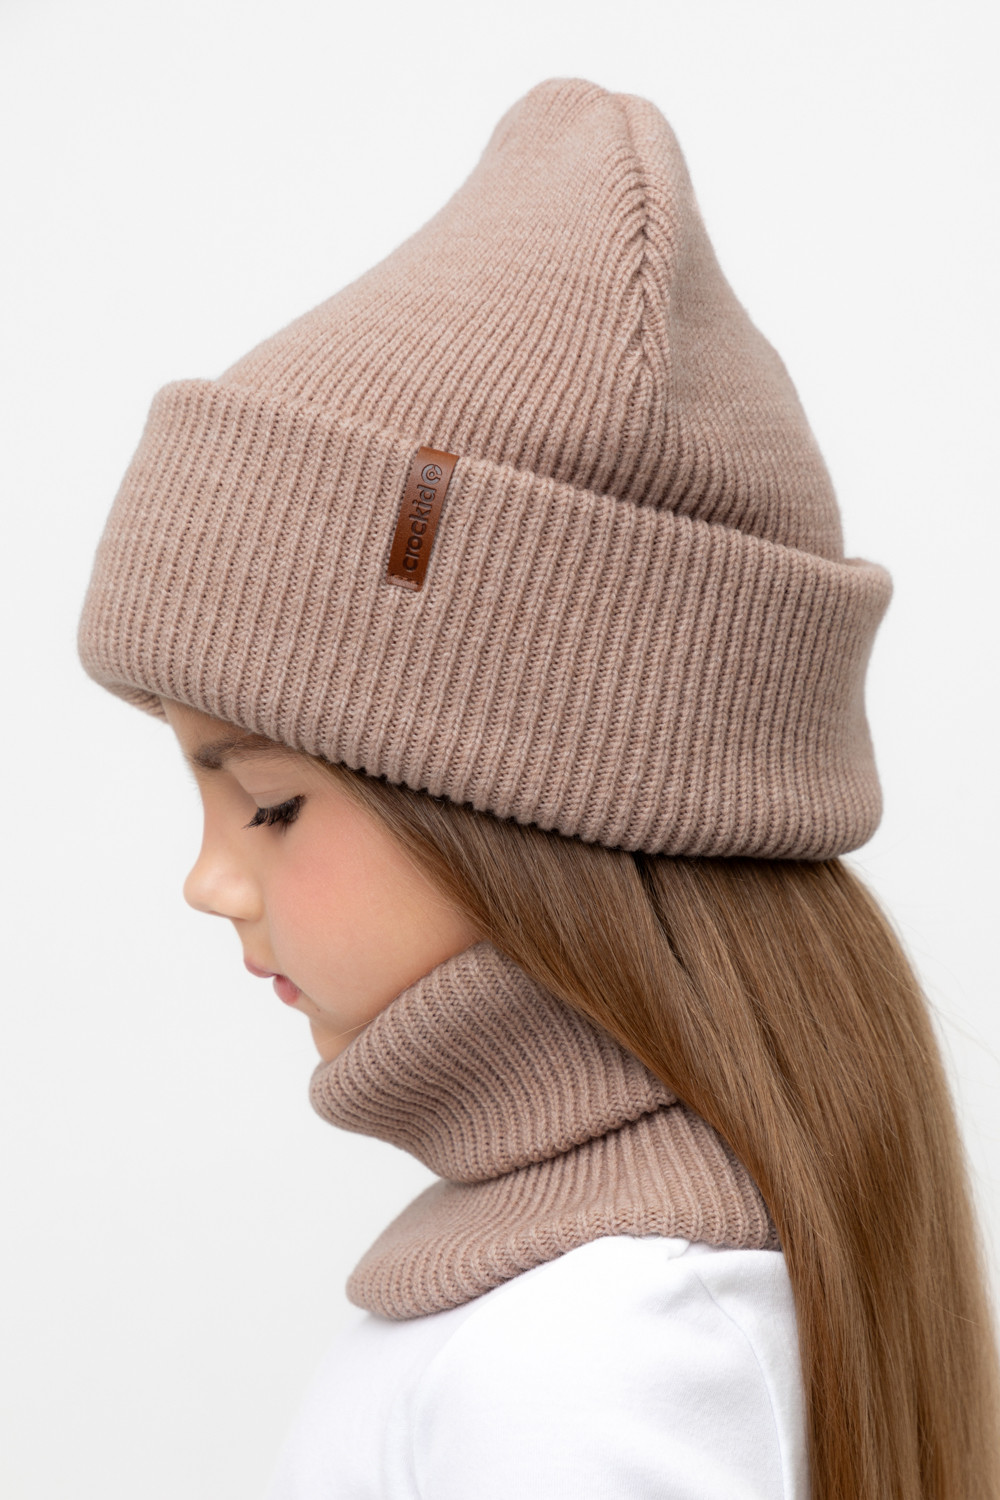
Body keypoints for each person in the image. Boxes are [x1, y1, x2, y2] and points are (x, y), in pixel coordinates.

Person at [76, 74, 1000, 1500]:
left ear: (541, 803)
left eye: (267, 802)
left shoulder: (594, 1354)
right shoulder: (579, 1310)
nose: (211, 880)